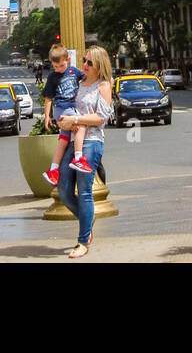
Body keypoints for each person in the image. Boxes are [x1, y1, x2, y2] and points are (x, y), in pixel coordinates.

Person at [57, 45, 114, 259]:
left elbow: (101, 118)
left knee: (84, 191)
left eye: (90, 62)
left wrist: (77, 120)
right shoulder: (79, 84)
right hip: (71, 140)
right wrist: (64, 120)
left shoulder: (103, 86)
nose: (85, 65)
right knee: (63, 190)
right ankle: (87, 221)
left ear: (100, 65)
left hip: (91, 142)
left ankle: (82, 241)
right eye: (84, 60)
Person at [41, 44, 86, 186]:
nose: (58, 69)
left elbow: (87, 78)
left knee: (64, 139)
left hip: (72, 107)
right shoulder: (53, 77)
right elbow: (48, 98)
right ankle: (78, 158)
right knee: (81, 125)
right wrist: (47, 116)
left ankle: (53, 170)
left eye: (61, 65)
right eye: (55, 66)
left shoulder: (74, 71)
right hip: (62, 108)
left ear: (68, 59)